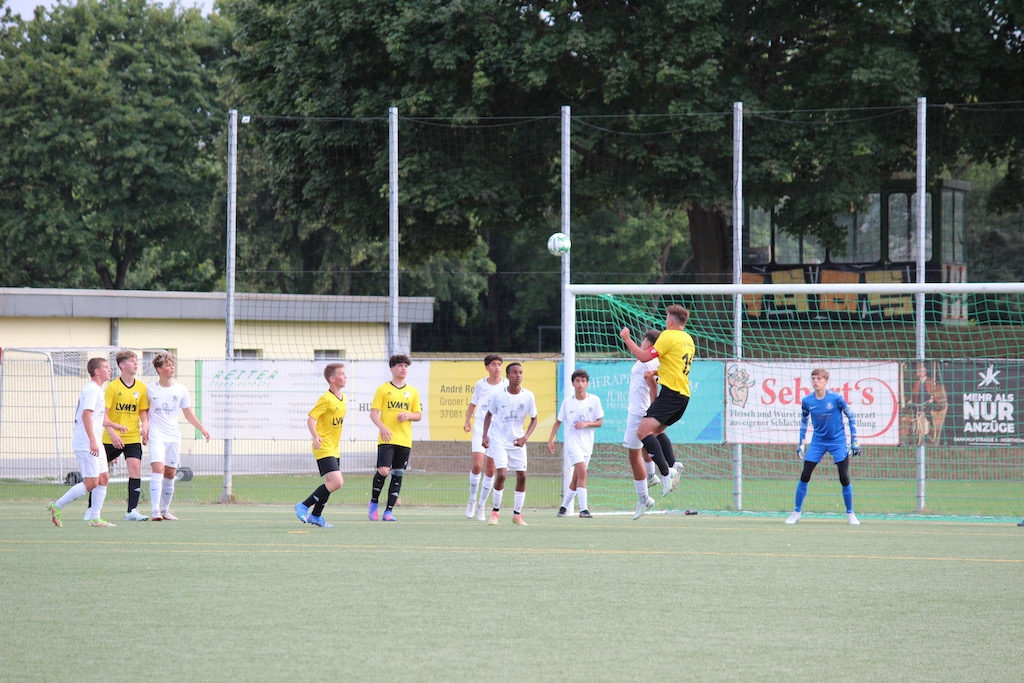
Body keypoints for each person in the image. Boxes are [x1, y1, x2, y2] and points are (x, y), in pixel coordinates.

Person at [619, 304, 693, 496]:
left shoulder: (668, 335)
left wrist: (627, 339)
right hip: (683, 396)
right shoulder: (688, 339)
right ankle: (673, 464)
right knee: (657, 432)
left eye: (666, 318)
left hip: (671, 394)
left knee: (642, 431)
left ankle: (666, 473)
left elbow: (644, 356)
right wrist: (655, 372)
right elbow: (674, 366)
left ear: (670, 322)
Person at [47, 357, 126, 527]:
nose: (110, 370)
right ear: (97, 371)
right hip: (86, 442)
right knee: (91, 482)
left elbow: (96, 418)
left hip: (94, 440)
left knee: (104, 477)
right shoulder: (92, 390)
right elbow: (86, 415)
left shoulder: (97, 390)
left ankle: (95, 517)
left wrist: (115, 425)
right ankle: (57, 506)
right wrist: (92, 441)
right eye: (106, 367)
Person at [786, 368, 861, 525]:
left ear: (826, 381)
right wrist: (801, 442)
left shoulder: (836, 398)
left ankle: (850, 513)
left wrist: (854, 440)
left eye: (819, 379)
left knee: (844, 477)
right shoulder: (807, 401)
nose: (815, 381)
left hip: (838, 441)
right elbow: (804, 420)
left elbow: (851, 415)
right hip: (818, 441)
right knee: (805, 474)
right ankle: (796, 512)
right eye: (813, 378)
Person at [147, 352, 210, 521]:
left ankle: (165, 510)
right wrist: (144, 428)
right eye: (168, 365)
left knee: (170, 473)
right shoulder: (150, 389)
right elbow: (143, 411)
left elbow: (188, 413)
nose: (172, 367)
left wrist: (201, 428)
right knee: (158, 469)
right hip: (156, 435)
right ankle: (155, 510)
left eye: (173, 364)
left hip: (173, 435)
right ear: (159, 369)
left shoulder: (181, 389)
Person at [480, 362, 538, 526]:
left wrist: (525, 437)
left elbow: (534, 419)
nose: (518, 375)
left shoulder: (528, 396)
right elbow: (488, 415)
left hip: (517, 441)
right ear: (508, 376)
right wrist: (485, 436)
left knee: (522, 476)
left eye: (520, 372)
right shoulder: (499, 396)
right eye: (514, 372)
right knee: (502, 475)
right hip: (499, 440)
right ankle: (495, 513)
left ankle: (516, 515)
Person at [368, 354, 422, 522]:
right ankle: (374, 502)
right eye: (400, 365)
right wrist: (383, 427)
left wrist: (408, 415)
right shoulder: (383, 389)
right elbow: (374, 413)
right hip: (387, 438)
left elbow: (418, 415)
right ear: (392, 369)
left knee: (398, 473)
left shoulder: (413, 392)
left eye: (406, 366)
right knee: (384, 470)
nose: (403, 368)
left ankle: (388, 511)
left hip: (404, 439)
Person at [99, 349, 150, 522]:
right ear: (122, 365)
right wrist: (112, 434)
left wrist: (145, 425)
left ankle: (132, 510)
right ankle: (93, 509)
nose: (136, 364)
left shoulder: (141, 387)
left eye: (136, 361)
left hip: (132, 437)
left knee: (135, 469)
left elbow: (143, 411)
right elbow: (104, 415)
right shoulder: (113, 387)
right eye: (132, 361)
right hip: (111, 437)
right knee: (101, 474)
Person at [295, 363, 348, 528]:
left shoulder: (343, 397)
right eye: (342, 374)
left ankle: (316, 516)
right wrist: (316, 437)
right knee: (337, 482)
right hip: (323, 446)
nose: (345, 376)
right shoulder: (326, 399)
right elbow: (311, 419)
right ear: (332, 379)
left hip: (334, 447)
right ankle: (304, 505)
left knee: (329, 483)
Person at [549, 369, 604, 518]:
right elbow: (558, 422)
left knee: (577, 477)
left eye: (583, 381)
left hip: (587, 444)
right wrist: (551, 439)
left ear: (587, 383)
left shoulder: (594, 400)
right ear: (573, 383)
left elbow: (599, 422)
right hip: (573, 443)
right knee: (582, 472)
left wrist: (586, 424)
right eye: (577, 381)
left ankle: (563, 507)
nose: (580, 384)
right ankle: (584, 509)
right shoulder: (567, 402)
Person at [463, 354, 507, 520]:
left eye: (499, 364)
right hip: (481, 426)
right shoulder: (481, 384)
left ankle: (481, 506)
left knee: (491, 470)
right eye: (493, 364)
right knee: (477, 465)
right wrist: (467, 421)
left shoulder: (506, 385)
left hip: (497, 431)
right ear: (487, 367)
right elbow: (473, 403)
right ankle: (472, 501)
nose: (497, 367)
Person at [624, 330, 661, 520]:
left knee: (633, 456)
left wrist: (626, 338)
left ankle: (644, 499)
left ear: (648, 344)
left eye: (643, 342)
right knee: (645, 445)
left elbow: (653, 385)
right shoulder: (649, 361)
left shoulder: (647, 361)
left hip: (638, 413)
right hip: (640, 411)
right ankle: (652, 475)